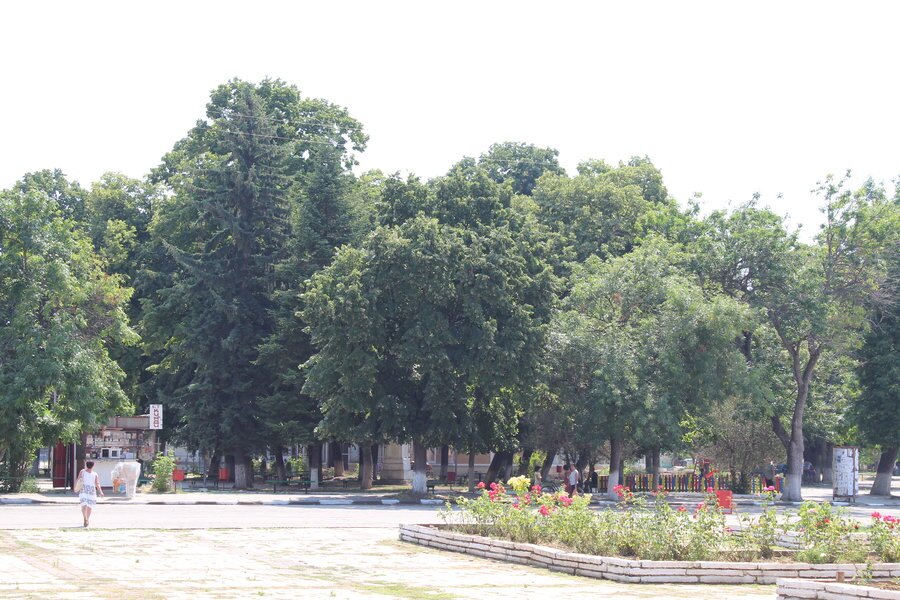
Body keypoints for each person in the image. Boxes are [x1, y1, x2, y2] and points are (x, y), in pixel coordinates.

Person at [78, 460, 104, 527]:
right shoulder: (95, 474)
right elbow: (97, 484)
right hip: (92, 491)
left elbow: (78, 480)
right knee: (89, 506)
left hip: (83, 490)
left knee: (84, 505)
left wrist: (75, 488)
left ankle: (85, 518)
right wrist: (100, 492)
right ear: (93, 466)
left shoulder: (82, 471)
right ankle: (87, 519)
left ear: (86, 465)